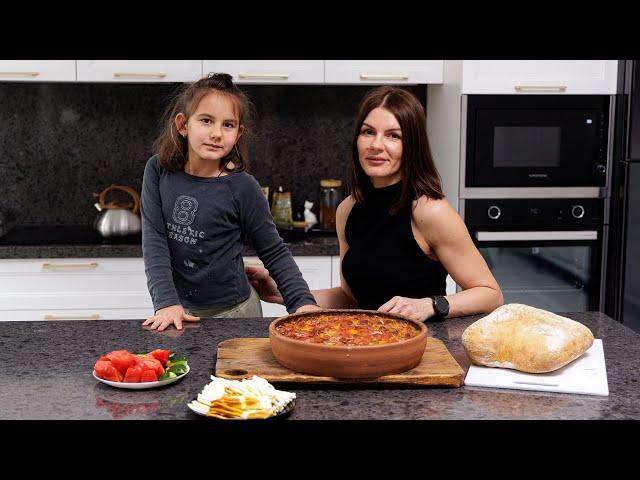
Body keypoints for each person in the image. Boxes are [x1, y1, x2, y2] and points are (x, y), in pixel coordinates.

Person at [246, 86, 503, 322]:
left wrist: (429, 305)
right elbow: (352, 299)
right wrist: (285, 293)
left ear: (411, 146)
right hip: (367, 342)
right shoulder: (348, 209)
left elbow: (490, 294)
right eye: (368, 132)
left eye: (393, 136)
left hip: (425, 349)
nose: (376, 145)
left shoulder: (429, 211)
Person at [141, 73, 320, 331]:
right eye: (206, 120)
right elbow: (154, 239)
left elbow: (273, 251)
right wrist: (166, 303)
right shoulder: (158, 170)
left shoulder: (243, 187)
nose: (216, 133)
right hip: (179, 312)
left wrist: (303, 302)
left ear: (238, 134)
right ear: (183, 125)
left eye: (228, 125)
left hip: (237, 313)